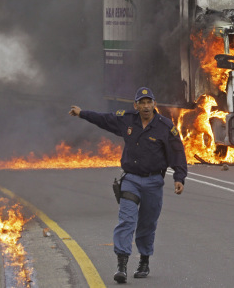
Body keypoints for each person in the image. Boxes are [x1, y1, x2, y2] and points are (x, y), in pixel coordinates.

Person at [69, 86, 188, 283]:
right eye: (142, 103)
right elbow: (104, 119)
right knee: (126, 220)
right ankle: (122, 265)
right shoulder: (127, 120)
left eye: (149, 102)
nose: (146, 106)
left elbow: (177, 153)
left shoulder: (165, 127)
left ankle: (144, 260)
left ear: (154, 104)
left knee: (147, 224)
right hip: (131, 179)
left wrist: (179, 178)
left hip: (153, 181)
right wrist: (82, 114)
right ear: (136, 105)